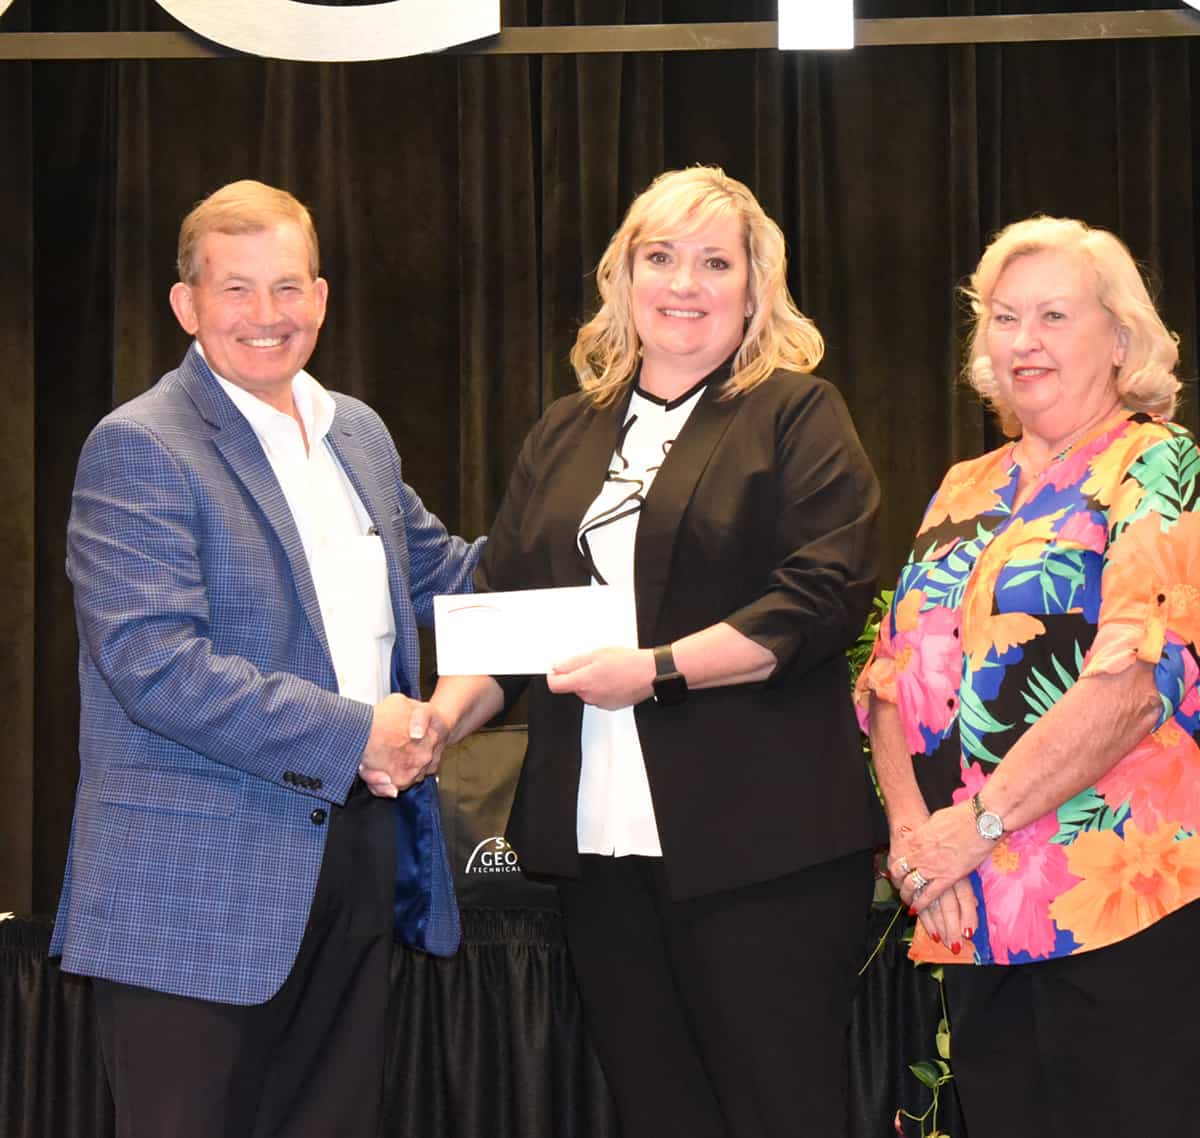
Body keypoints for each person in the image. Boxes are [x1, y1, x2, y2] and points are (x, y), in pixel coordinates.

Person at [376, 166, 883, 1138]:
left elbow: (821, 594)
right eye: (660, 257)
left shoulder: (794, 412)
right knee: (659, 1113)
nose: (684, 283)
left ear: (754, 287)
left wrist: (655, 671)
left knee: (783, 1112)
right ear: (623, 278)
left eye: (714, 261)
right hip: (599, 852)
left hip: (762, 847)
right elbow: (507, 614)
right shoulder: (566, 431)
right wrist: (437, 721)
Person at [49, 179, 481, 1138]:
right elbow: (152, 662)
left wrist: (612, 545)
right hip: (191, 889)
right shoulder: (139, 446)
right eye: (235, 289)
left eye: (287, 288)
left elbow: (445, 574)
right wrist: (356, 733)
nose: (265, 316)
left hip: (357, 855)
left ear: (321, 299)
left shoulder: (355, 433)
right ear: (187, 306)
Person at [856, 215, 1200, 1135]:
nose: (1024, 341)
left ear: (1120, 339)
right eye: (1005, 319)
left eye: (1053, 315)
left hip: (1119, 904)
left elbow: (1134, 682)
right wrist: (921, 846)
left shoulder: (1158, 463)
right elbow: (887, 680)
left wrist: (977, 825)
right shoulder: (963, 484)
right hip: (971, 915)